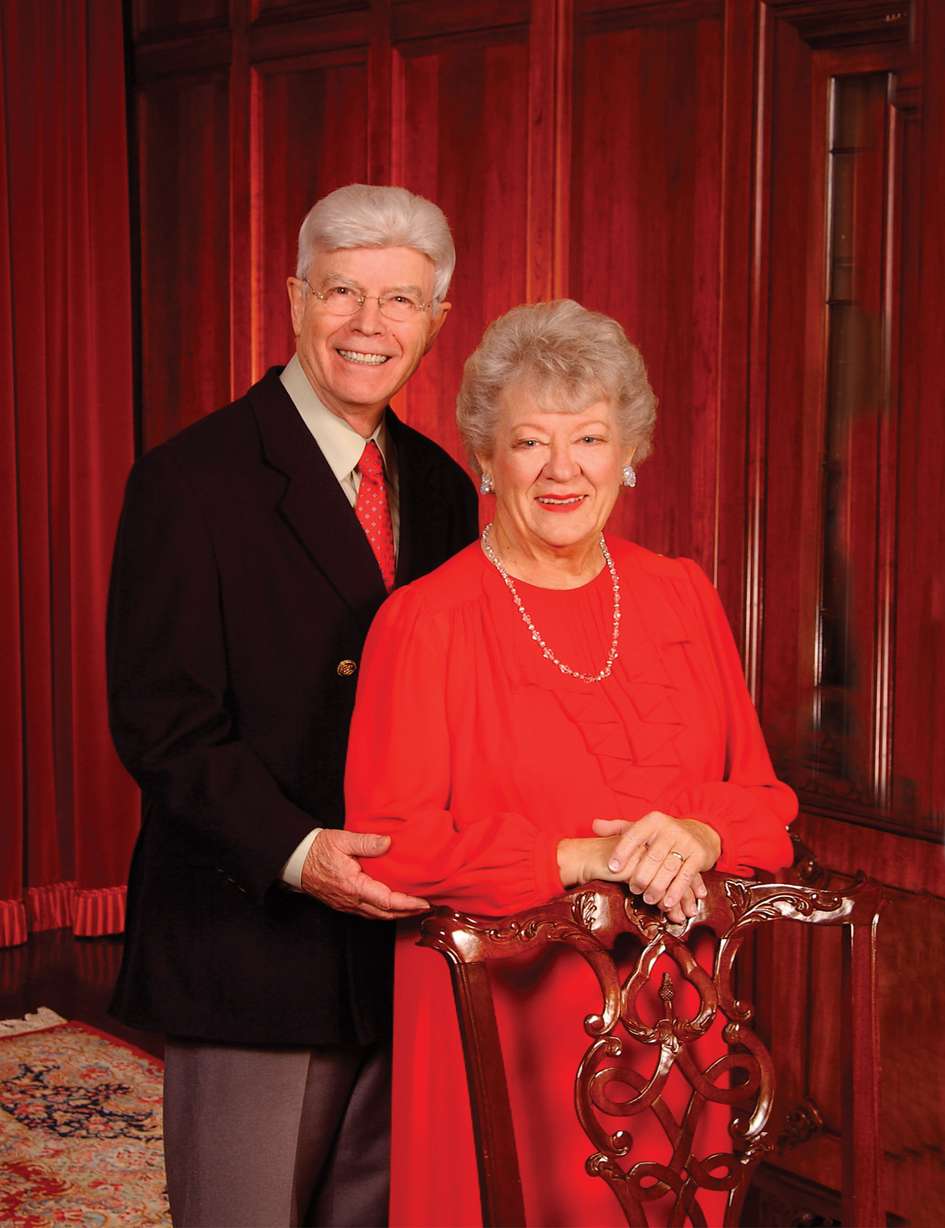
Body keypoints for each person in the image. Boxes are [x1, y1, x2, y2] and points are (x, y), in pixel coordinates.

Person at [344, 298, 797, 1227]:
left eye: (589, 438)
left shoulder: (680, 594)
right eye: (529, 442)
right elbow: (390, 845)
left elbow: (764, 804)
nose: (562, 469)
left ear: (627, 453)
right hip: (501, 1019)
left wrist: (698, 832)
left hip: (672, 1014)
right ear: (484, 458)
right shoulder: (424, 621)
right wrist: (575, 859)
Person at [106, 184, 479, 1227]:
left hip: (402, 950)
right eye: (343, 292)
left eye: (400, 301)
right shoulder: (189, 479)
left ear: (437, 321)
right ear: (294, 298)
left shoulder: (446, 489)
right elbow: (161, 722)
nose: (370, 325)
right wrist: (299, 850)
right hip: (252, 935)